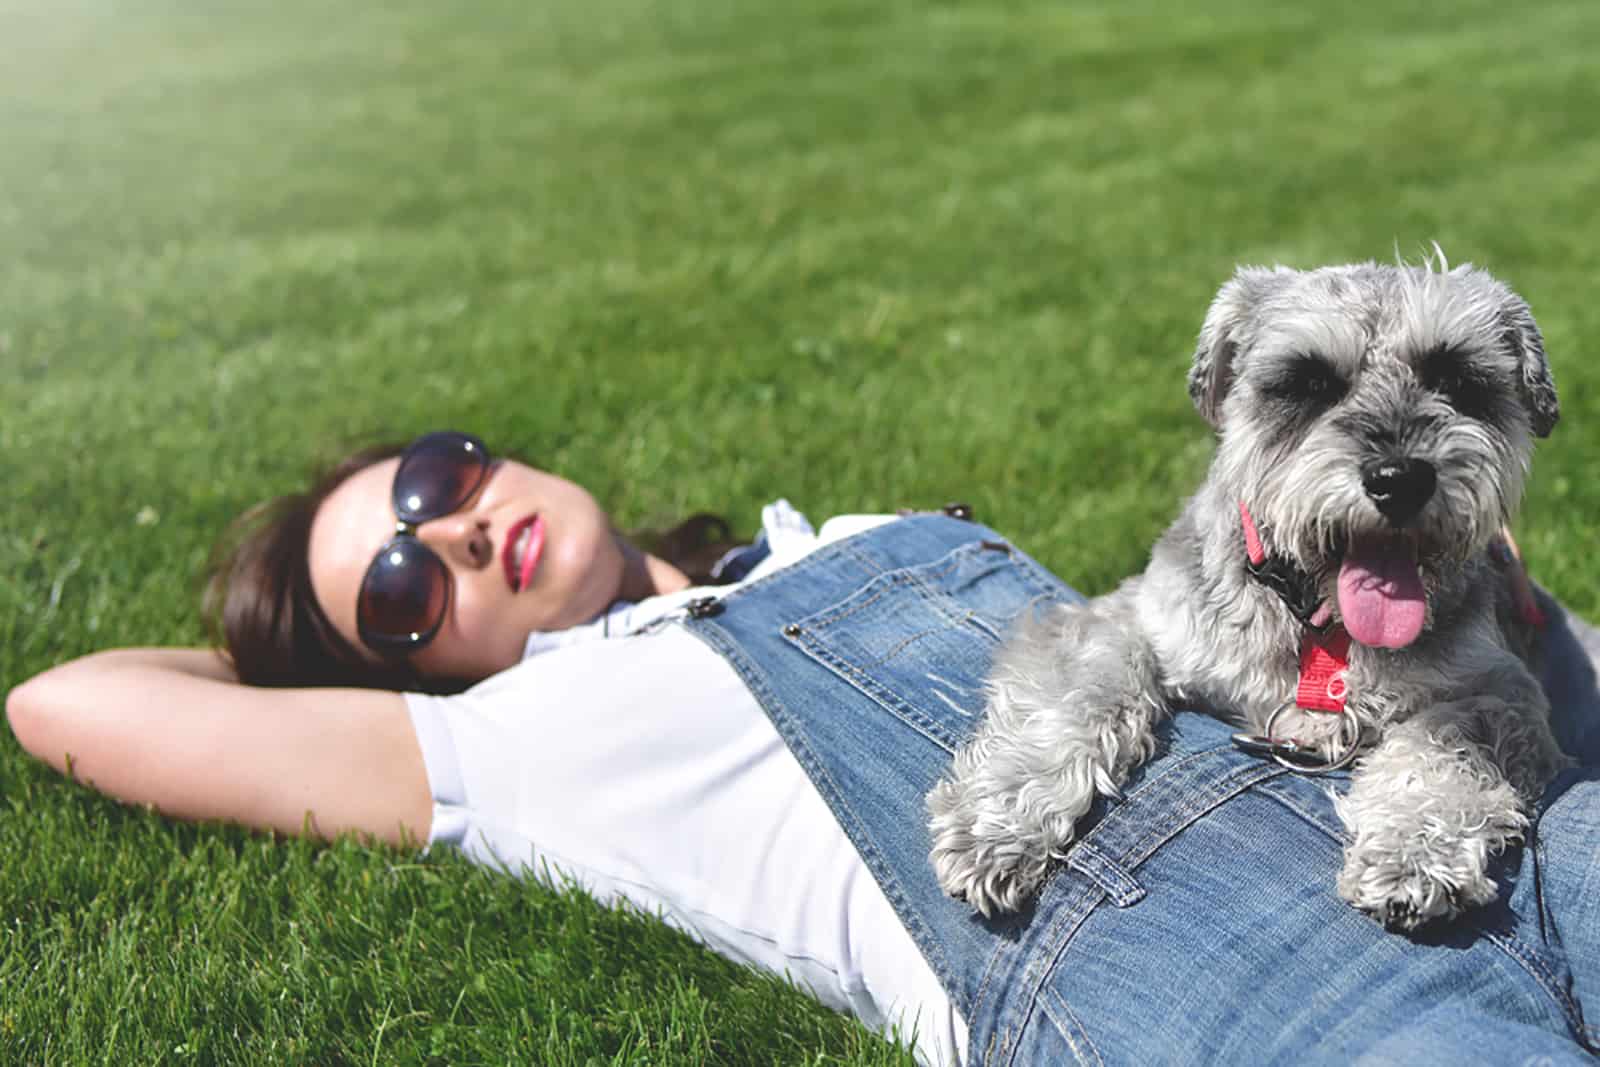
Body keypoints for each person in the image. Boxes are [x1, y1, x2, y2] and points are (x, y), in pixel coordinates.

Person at [9, 429, 1600, 1065]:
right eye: (404, 584)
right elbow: (65, 705)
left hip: (1422, 799)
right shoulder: (515, 742)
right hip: (1208, 979)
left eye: (438, 477)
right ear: (408, 674)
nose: (460, 531)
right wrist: (280, 649)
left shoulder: (831, 532)